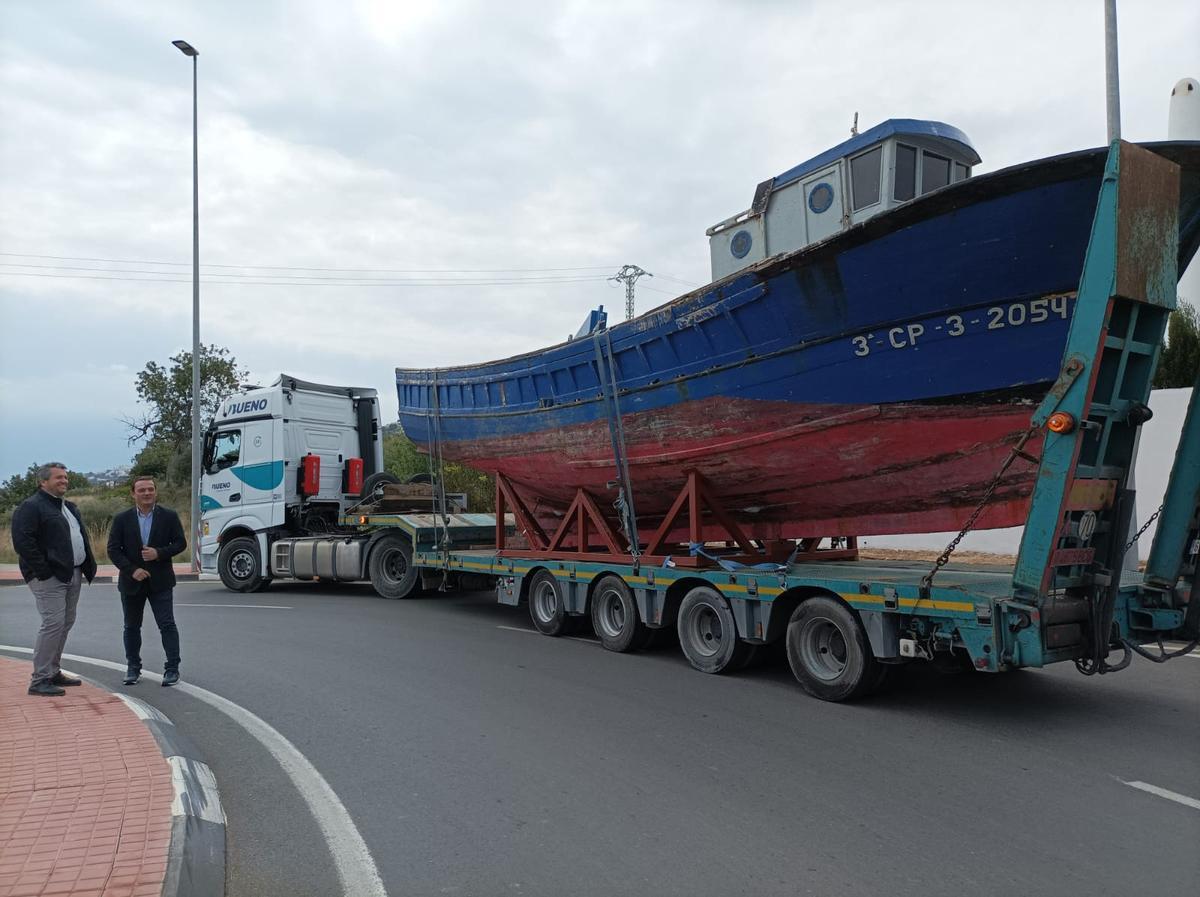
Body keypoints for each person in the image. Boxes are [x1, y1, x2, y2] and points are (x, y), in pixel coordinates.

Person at [11, 462, 98, 696]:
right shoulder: (31, 507)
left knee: (65, 622)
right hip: (50, 577)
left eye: (65, 478)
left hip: (74, 572)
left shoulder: (67, 507)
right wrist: (44, 571)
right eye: (58, 477)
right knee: (53, 624)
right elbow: (23, 542)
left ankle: (52, 671)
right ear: (43, 482)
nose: (64, 481)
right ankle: (39, 679)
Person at [106, 476, 186, 686]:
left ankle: (172, 668)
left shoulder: (169, 516)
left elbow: (180, 543)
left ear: (155, 492)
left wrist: (159, 553)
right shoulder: (122, 519)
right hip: (132, 582)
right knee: (131, 627)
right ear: (133, 494)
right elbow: (113, 550)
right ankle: (133, 667)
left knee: (167, 625)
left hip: (161, 581)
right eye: (142, 490)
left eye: (150, 489)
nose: (147, 493)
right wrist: (132, 570)